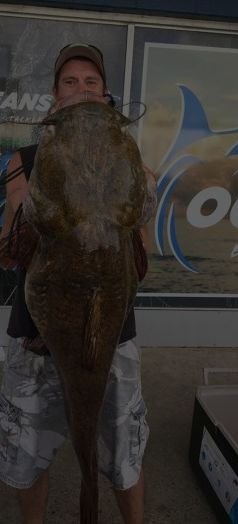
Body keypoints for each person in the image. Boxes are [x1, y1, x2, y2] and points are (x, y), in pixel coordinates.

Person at [0, 43, 149, 524]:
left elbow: (143, 254)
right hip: (36, 327)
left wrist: (147, 196)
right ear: (54, 96)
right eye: (70, 81)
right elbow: (8, 253)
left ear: (105, 96)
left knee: (124, 452)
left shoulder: (130, 153)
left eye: (90, 82)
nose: (81, 88)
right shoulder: (23, 160)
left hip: (111, 325)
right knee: (26, 456)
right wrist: (22, 206)